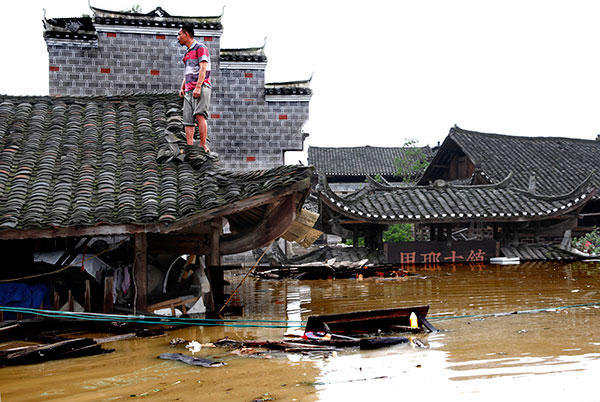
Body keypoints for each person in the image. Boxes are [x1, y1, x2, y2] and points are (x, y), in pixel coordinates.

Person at [177, 23, 211, 152]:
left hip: (201, 87)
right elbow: (188, 72)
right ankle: (190, 146)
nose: (178, 37)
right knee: (187, 119)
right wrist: (183, 87)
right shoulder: (187, 53)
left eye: (179, 34)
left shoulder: (200, 48)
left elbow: (203, 68)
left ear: (186, 34)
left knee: (199, 115)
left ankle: (203, 144)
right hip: (189, 89)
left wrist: (198, 87)